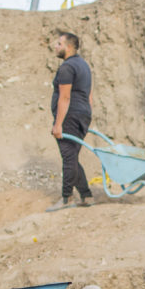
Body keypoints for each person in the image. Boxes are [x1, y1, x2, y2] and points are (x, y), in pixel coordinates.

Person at [47, 30, 94, 212]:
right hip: (83, 114)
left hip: (70, 115)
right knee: (72, 157)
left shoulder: (67, 67)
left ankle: (67, 198)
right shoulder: (83, 65)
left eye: (59, 44)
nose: (56, 46)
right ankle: (87, 195)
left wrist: (58, 124)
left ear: (67, 47)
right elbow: (89, 95)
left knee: (68, 157)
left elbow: (65, 97)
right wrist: (85, 116)